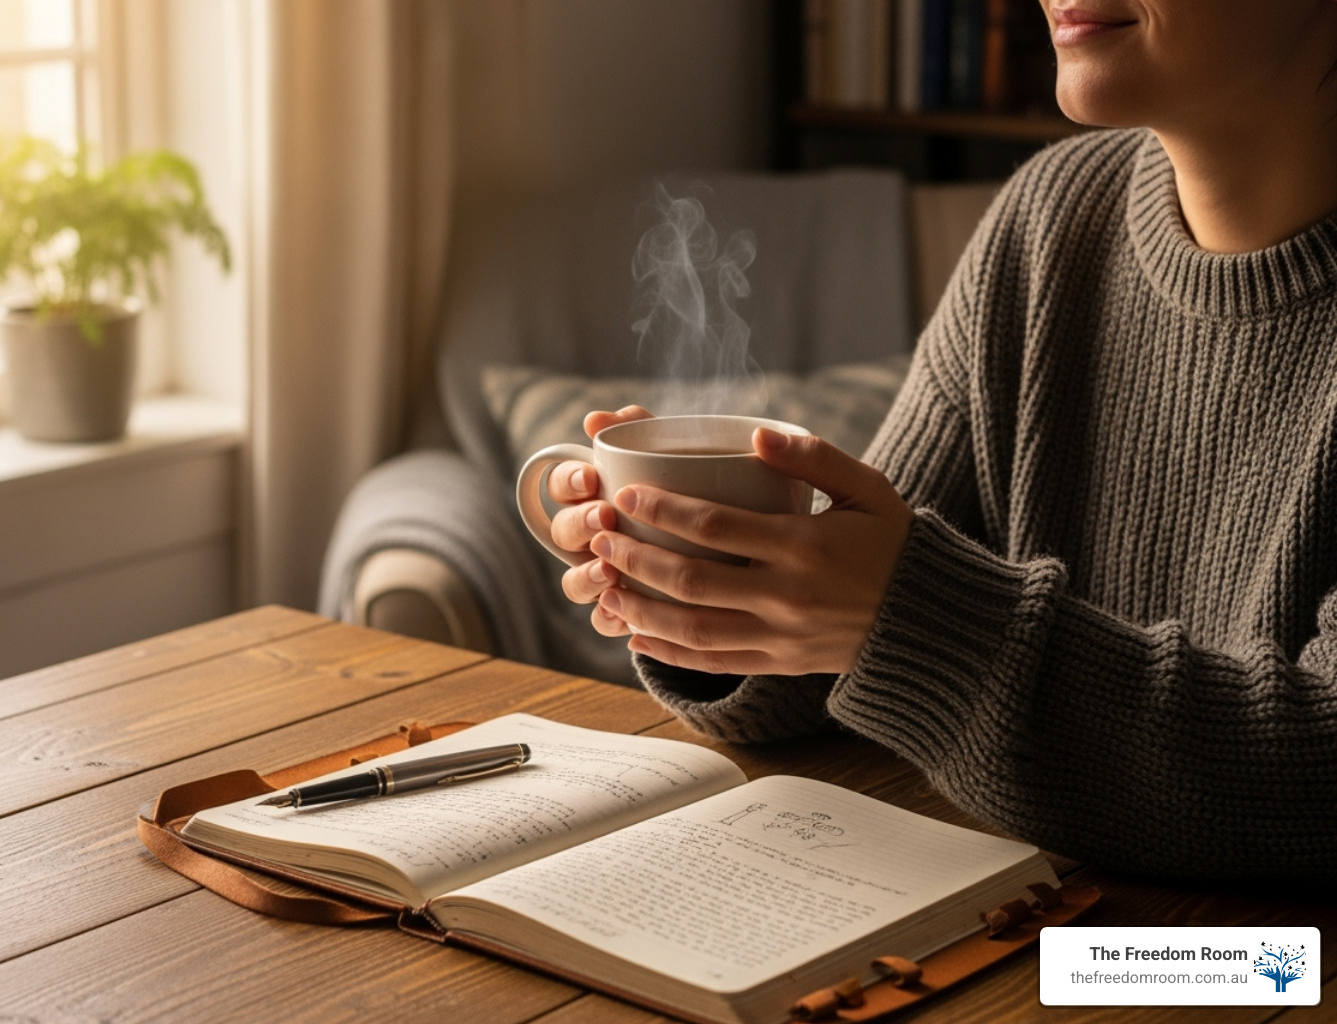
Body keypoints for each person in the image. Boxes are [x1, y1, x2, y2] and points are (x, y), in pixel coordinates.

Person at [541, 0, 1337, 880]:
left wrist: (898, 615)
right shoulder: (1050, 219)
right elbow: (850, 653)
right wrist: (708, 589)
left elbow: (1316, 773)